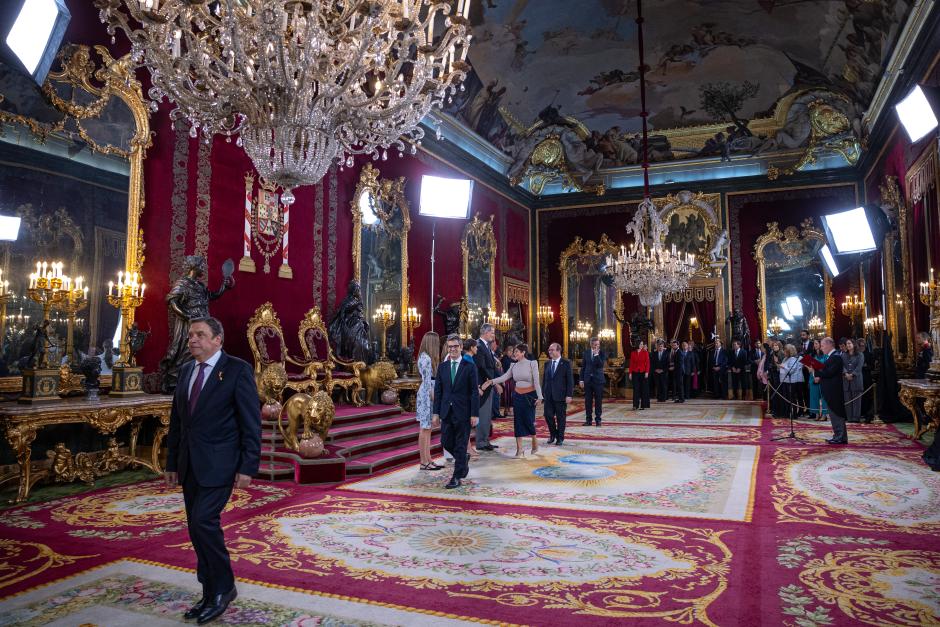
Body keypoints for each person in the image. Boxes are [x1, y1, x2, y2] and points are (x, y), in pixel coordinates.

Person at [164, 317, 260, 624]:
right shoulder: (186, 370)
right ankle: (209, 590)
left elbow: (251, 423)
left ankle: (224, 587)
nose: (192, 339)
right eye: (191, 335)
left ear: (217, 339)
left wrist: (248, 466)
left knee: (205, 522)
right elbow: (178, 421)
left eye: (200, 335)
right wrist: (171, 462)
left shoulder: (237, 370)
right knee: (195, 527)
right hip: (189, 463)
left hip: (220, 464)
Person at [433, 334, 480, 489]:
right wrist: (436, 412)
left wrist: (474, 414)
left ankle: (456, 476)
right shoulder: (443, 367)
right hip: (446, 410)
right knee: (445, 441)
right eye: (450, 346)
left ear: (461, 347)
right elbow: (438, 391)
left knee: (460, 444)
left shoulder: (469, 366)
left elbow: (474, 391)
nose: (452, 349)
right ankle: (463, 459)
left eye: (455, 346)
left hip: (464, 412)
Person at [483, 344, 543, 457]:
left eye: (517, 352)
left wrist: (540, 397)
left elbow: (536, 382)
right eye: (514, 352)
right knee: (518, 422)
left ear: (523, 353)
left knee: (529, 420)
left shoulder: (532, 364)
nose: (514, 354)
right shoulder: (513, 366)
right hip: (517, 396)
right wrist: (491, 382)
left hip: (529, 396)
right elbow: (504, 377)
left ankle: (534, 441)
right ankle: (519, 449)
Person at [415, 332, 442, 471]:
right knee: (424, 428)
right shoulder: (425, 358)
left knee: (428, 428)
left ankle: (428, 459)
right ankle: (423, 461)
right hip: (427, 394)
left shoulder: (428, 357)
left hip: (430, 391)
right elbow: (426, 381)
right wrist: (433, 396)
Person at [813, 337, 847, 444]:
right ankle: (837, 435)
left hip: (834, 390)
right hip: (830, 390)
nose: (821, 348)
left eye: (822, 346)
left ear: (829, 345)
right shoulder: (831, 357)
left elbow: (829, 372)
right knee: (833, 414)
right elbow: (826, 370)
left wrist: (816, 369)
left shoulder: (836, 357)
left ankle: (840, 437)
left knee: (836, 413)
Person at [472, 324, 500, 452]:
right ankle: (481, 442)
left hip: (488, 385)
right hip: (483, 386)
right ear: (485, 332)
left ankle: (485, 440)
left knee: (487, 414)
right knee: (483, 414)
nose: (493, 335)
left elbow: (492, 367)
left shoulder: (486, 347)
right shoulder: (479, 345)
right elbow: (481, 368)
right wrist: (494, 382)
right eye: (492, 333)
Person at [541, 342, 573, 445]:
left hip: (561, 396)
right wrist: (542, 394)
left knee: (560, 418)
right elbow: (545, 380)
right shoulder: (547, 363)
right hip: (548, 395)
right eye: (549, 350)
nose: (549, 352)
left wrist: (569, 395)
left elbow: (570, 381)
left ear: (558, 351)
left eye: (552, 350)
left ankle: (560, 438)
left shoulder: (566, 363)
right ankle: (553, 434)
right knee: (547, 415)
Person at [580, 337, 606, 426]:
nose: (597, 346)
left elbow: (600, 365)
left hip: (598, 380)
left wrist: (596, 355)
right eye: (595, 345)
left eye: (598, 345)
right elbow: (583, 367)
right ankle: (588, 420)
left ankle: (598, 420)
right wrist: (581, 379)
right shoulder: (586, 353)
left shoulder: (602, 353)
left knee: (598, 401)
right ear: (591, 344)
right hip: (588, 380)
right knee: (588, 401)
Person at [779, 343, 804, 419]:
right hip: (784, 380)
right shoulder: (785, 358)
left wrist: (783, 366)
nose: (784, 352)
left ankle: (795, 413)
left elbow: (792, 370)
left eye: (785, 351)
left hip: (792, 381)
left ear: (789, 351)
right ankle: (787, 412)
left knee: (792, 398)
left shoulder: (793, 359)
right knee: (787, 398)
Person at [842, 338, 864, 423]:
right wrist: (846, 373)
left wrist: (852, 374)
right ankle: (849, 417)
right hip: (846, 380)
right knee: (848, 400)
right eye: (847, 344)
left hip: (856, 380)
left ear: (854, 344)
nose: (848, 345)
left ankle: (856, 418)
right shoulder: (843, 355)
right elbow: (842, 366)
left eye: (849, 343)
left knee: (856, 400)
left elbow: (859, 366)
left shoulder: (860, 355)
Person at [807, 339, 829, 421]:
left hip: (822, 378)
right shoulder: (812, 355)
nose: (815, 345)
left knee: (824, 397)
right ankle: (816, 414)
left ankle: (824, 414)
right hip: (813, 377)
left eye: (816, 343)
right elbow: (809, 366)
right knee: (814, 396)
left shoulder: (825, 355)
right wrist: (809, 368)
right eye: (814, 344)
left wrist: (819, 377)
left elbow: (826, 368)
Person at [857, 337, 874, 423]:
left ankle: (867, 413)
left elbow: (872, 366)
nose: (861, 347)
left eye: (862, 346)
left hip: (866, 377)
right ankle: (860, 412)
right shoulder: (856, 354)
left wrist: (865, 366)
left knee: (867, 395)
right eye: (859, 346)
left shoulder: (869, 354)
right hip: (858, 377)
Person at [629, 340, 651, 409]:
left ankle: (643, 405)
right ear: (637, 344)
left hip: (643, 372)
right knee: (636, 389)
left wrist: (647, 372)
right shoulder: (633, 353)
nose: (642, 346)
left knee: (643, 389)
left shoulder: (645, 352)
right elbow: (631, 364)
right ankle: (635, 405)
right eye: (641, 344)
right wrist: (630, 373)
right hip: (635, 373)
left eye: (642, 344)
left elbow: (647, 363)